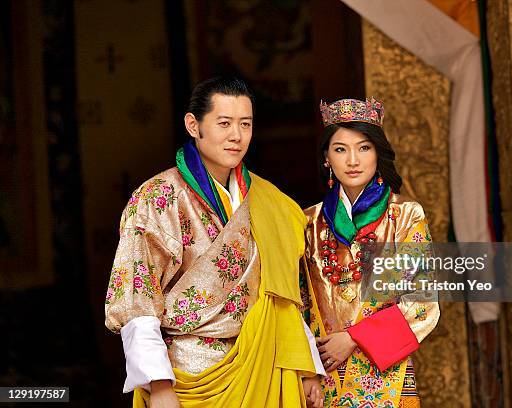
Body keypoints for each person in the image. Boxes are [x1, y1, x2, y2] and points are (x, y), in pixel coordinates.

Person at [105, 77, 324, 407]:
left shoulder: (269, 202)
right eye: (224, 123)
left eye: (245, 124)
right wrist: (159, 384)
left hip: (263, 363)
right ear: (194, 125)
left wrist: (306, 366)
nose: (236, 135)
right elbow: (137, 298)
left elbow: (282, 295)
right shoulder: (157, 198)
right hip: (188, 373)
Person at [300, 98, 440, 407]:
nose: (353, 160)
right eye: (340, 149)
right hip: (326, 376)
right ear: (326, 158)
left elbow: (421, 304)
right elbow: (300, 304)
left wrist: (352, 338)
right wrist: (307, 372)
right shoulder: (308, 222)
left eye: (363, 148)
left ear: (377, 153)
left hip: (388, 375)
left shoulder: (404, 216)